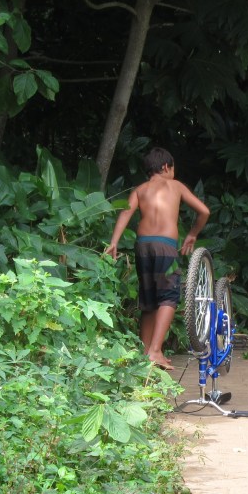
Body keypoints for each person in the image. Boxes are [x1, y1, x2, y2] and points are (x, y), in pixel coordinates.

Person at [105, 147, 210, 370]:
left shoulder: (140, 190)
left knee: (149, 301)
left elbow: (125, 212)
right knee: (169, 297)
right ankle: (154, 351)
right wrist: (192, 234)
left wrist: (114, 242)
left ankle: (145, 353)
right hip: (165, 247)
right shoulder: (176, 186)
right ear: (165, 167)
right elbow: (204, 211)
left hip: (143, 246)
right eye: (173, 168)